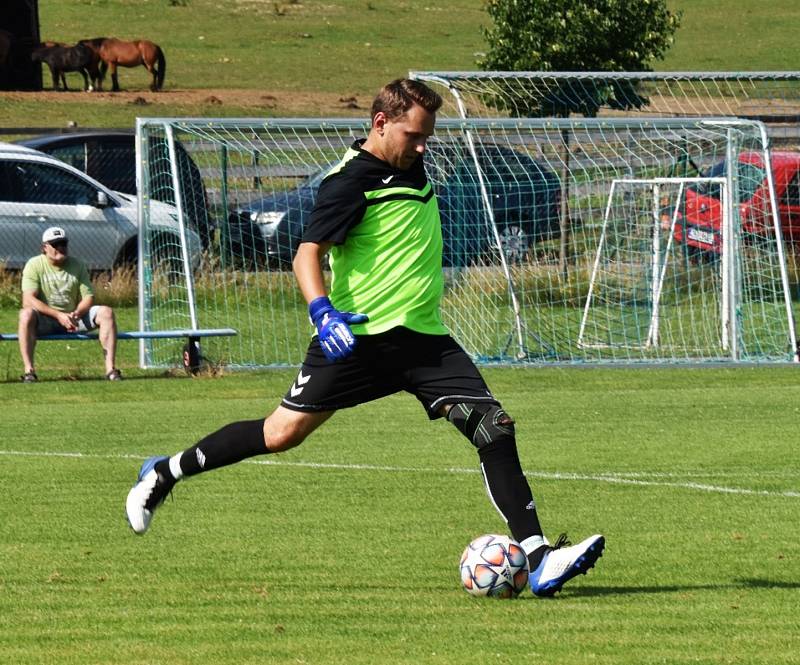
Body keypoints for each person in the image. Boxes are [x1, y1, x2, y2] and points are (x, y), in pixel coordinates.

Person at [125, 79, 604, 597]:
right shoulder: (348, 183)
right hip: (361, 341)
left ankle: (538, 559)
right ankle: (165, 472)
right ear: (380, 124)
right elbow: (306, 253)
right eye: (414, 135)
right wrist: (321, 310)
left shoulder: (408, 162)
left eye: (428, 137)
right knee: (281, 434)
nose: (423, 147)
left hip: (425, 340)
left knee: (494, 427)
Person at [19, 226, 121, 382]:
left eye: (63, 244)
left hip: (73, 319)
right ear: (44, 248)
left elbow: (88, 297)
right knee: (25, 314)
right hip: (45, 320)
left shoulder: (77, 265)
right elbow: (28, 300)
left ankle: (111, 370)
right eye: (56, 244)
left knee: (106, 312)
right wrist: (58, 315)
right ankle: (29, 372)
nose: (61, 248)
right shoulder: (34, 265)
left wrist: (76, 314)